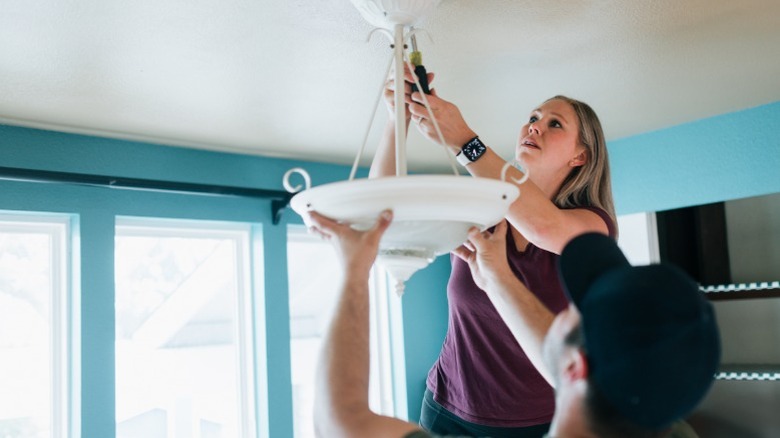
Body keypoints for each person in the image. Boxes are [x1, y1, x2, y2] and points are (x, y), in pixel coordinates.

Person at [308, 209, 720, 438]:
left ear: (576, 368)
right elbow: (565, 362)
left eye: (571, 311)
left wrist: (353, 269)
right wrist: (497, 278)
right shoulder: (669, 422)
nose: (559, 315)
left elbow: (340, 421)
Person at [369, 67, 618, 436]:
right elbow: (383, 212)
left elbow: (544, 226)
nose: (534, 126)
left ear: (580, 156)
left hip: (536, 422)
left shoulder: (592, 226)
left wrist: (464, 141)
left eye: (554, 124)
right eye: (533, 117)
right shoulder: (479, 206)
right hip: (447, 411)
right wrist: (397, 119)